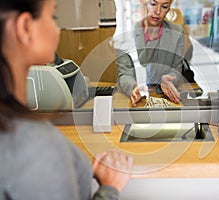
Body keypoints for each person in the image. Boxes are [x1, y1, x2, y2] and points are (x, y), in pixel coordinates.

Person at [0, 0, 133, 199]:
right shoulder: (37, 148)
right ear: (25, 27)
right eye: (53, 17)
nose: (58, 30)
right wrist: (109, 188)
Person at [116, 0, 185, 106]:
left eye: (164, 6)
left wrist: (167, 80)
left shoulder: (177, 33)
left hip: (162, 97)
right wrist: (133, 87)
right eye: (153, 4)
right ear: (143, 3)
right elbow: (124, 73)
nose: (157, 11)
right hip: (137, 99)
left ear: (169, 9)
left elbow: (176, 69)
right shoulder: (126, 33)